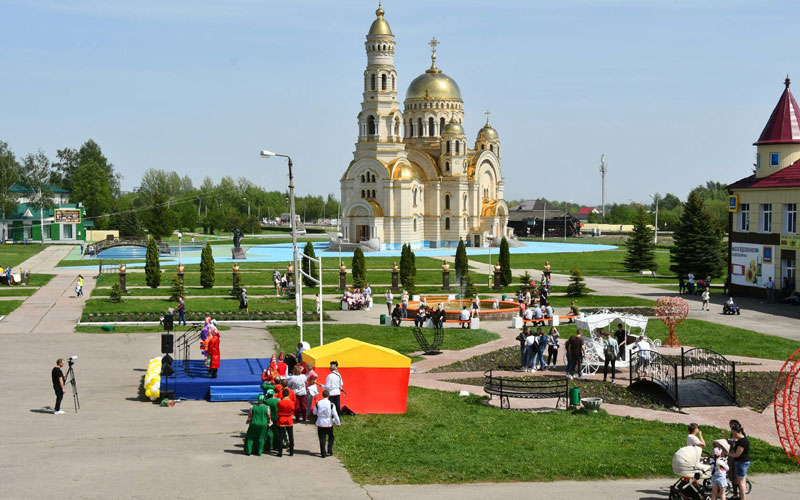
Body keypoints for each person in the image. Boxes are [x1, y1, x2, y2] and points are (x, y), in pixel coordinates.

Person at [313, 389, 341, 458]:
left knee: (322, 438)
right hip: (329, 422)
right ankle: (329, 450)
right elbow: (335, 414)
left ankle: (323, 453)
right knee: (331, 436)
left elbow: (314, 412)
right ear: (328, 395)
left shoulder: (318, 403)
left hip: (320, 423)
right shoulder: (331, 404)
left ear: (322, 395)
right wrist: (338, 423)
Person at [726, 424, 750, 500]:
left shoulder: (742, 442)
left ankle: (743, 498)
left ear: (739, 432)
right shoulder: (741, 440)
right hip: (743, 463)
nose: (733, 435)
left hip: (741, 463)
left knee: (741, 483)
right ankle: (742, 497)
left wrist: (727, 454)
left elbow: (737, 454)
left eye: (734, 433)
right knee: (742, 481)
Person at [276, 389, 295, 457]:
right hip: (289, 419)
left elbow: (278, 408)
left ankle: (280, 452)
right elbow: (293, 410)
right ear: (288, 394)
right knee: (291, 436)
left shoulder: (280, 402)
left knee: (280, 436)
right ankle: (291, 452)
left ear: (282, 395)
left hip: (281, 419)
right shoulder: (291, 402)